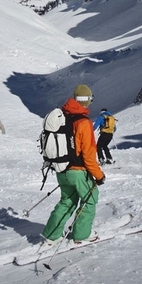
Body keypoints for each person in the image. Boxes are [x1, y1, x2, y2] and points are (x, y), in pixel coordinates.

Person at [42, 84, 105, 244]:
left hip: (61, 169)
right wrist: (99, 175)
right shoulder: (83, 123)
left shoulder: (63, 117)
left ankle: (52, 235)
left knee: (67, 201)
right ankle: (82, 235)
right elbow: (89, 155)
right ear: (87, 100)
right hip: (78, 171)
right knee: (90, 199)